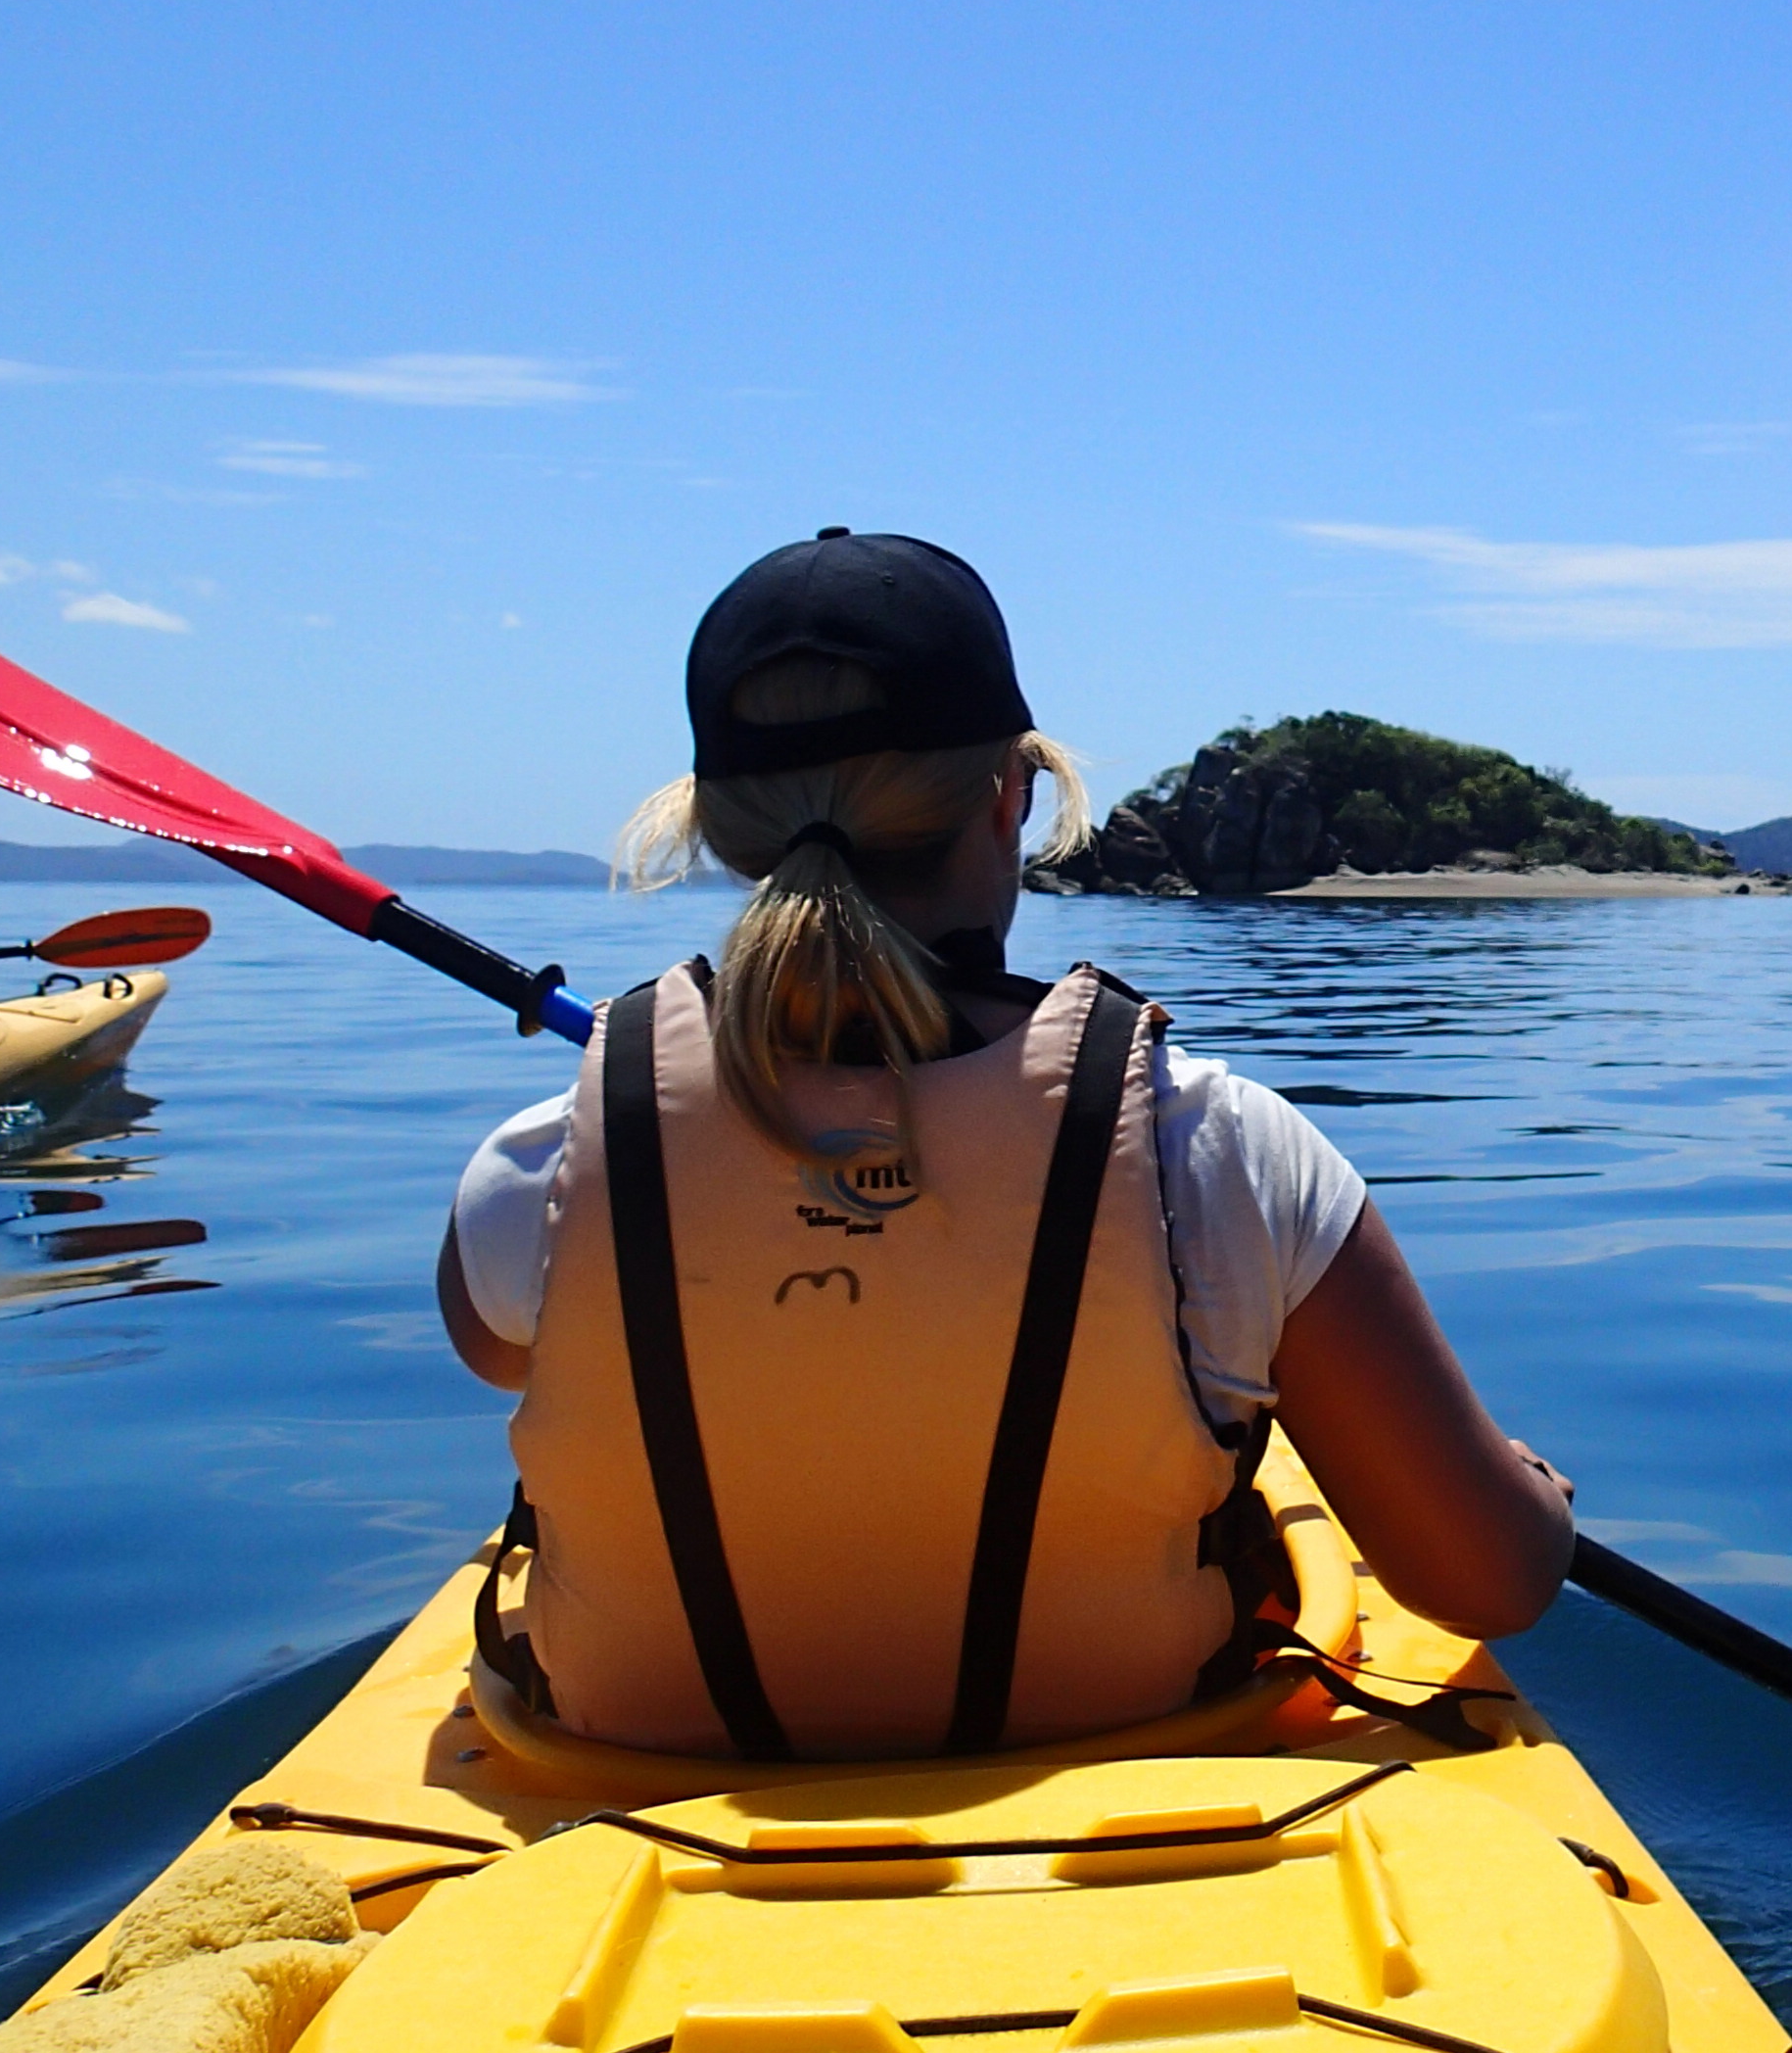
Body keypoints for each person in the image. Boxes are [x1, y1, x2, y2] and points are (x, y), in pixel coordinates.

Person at [434, 529, 1573, 1763]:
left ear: (719, 827)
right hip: (1140, 1807)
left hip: (638, 1792)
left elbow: (503, 1353)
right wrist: (1535, 1499)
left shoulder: (537, 1167)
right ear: (1007, 794)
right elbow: (1485, 1582)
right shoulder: (1222, 1150)